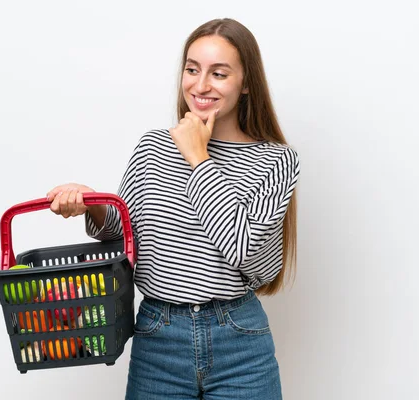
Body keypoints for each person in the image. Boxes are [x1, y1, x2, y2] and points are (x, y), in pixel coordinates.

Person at [47, 18, 300, 400]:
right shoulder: (153, 147)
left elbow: (243, 251)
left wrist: (199, 159)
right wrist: (92, 206)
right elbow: (124, 231)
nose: (200, 86)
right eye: (192, 69)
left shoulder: (277, 161)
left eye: (219, 73)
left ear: (246, 83)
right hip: (158, 337)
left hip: (240, 342)